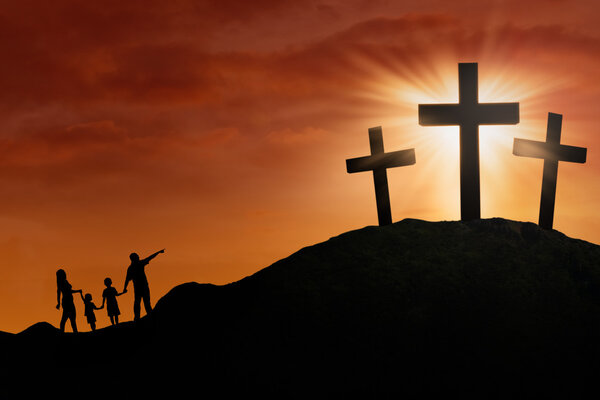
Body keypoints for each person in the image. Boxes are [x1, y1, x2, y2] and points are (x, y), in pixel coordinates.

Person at [123, 249, 165, 321]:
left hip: (137, 287)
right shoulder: (140, 264)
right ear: (135, 258)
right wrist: (158, 252)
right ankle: (149, 315)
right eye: (137, 256)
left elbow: (127, 279)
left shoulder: (130, 268)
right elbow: (150, 257)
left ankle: (137, 317)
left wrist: (124, 288)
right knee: (145, 302)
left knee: (137, 302)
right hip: (143, 286)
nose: (139, 257)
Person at [56, 269, 82, 333]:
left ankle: (73, 332)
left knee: (71, 319)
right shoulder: (61, 283)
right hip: (67, 302)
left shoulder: (64, 282)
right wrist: (58, 303)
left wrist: (77, 291)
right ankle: (64, 333)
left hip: (69, 302)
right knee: (66, 319)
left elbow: (69, 291)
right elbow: (60, 293)